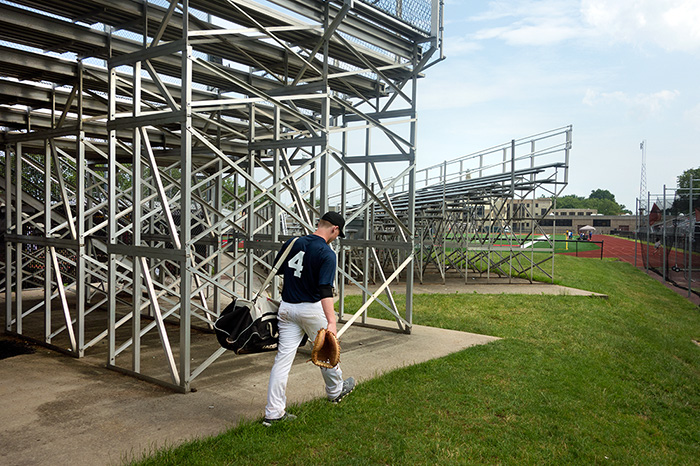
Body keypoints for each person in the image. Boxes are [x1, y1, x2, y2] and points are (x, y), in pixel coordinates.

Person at [263, 211, 355, 426]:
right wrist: (332, 321)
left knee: (282, 361)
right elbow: (325, 290)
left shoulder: (293, 242)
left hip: (287, 307)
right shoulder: (327, 252)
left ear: (320, 224)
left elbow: (279, 271)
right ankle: (335, 391)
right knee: (327, 351)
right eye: (337, 234)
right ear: (335, 229)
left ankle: (273, 413)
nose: (335, 238)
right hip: (311, 309)